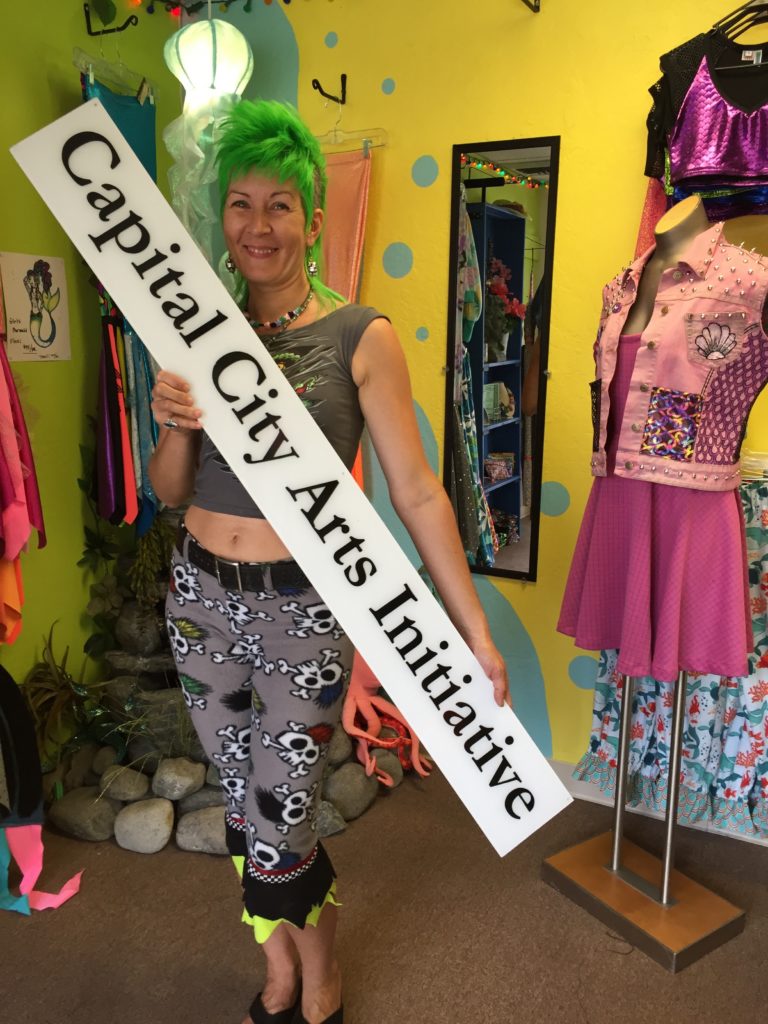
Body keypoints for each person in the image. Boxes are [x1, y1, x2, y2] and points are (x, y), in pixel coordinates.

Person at [149, 100, 509, 1024]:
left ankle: (322, 975)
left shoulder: (359, 335)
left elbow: (418, 493)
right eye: (240, 204)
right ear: (223, 218)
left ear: (313, 220)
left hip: (301, 610)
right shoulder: (201, 334)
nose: (257, 225)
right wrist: (173, 423)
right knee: (243, 800)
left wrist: (474, 633)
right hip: (200, 598)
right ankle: (279, 965)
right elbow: (170, 491)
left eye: (279, 205)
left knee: (284, 811)